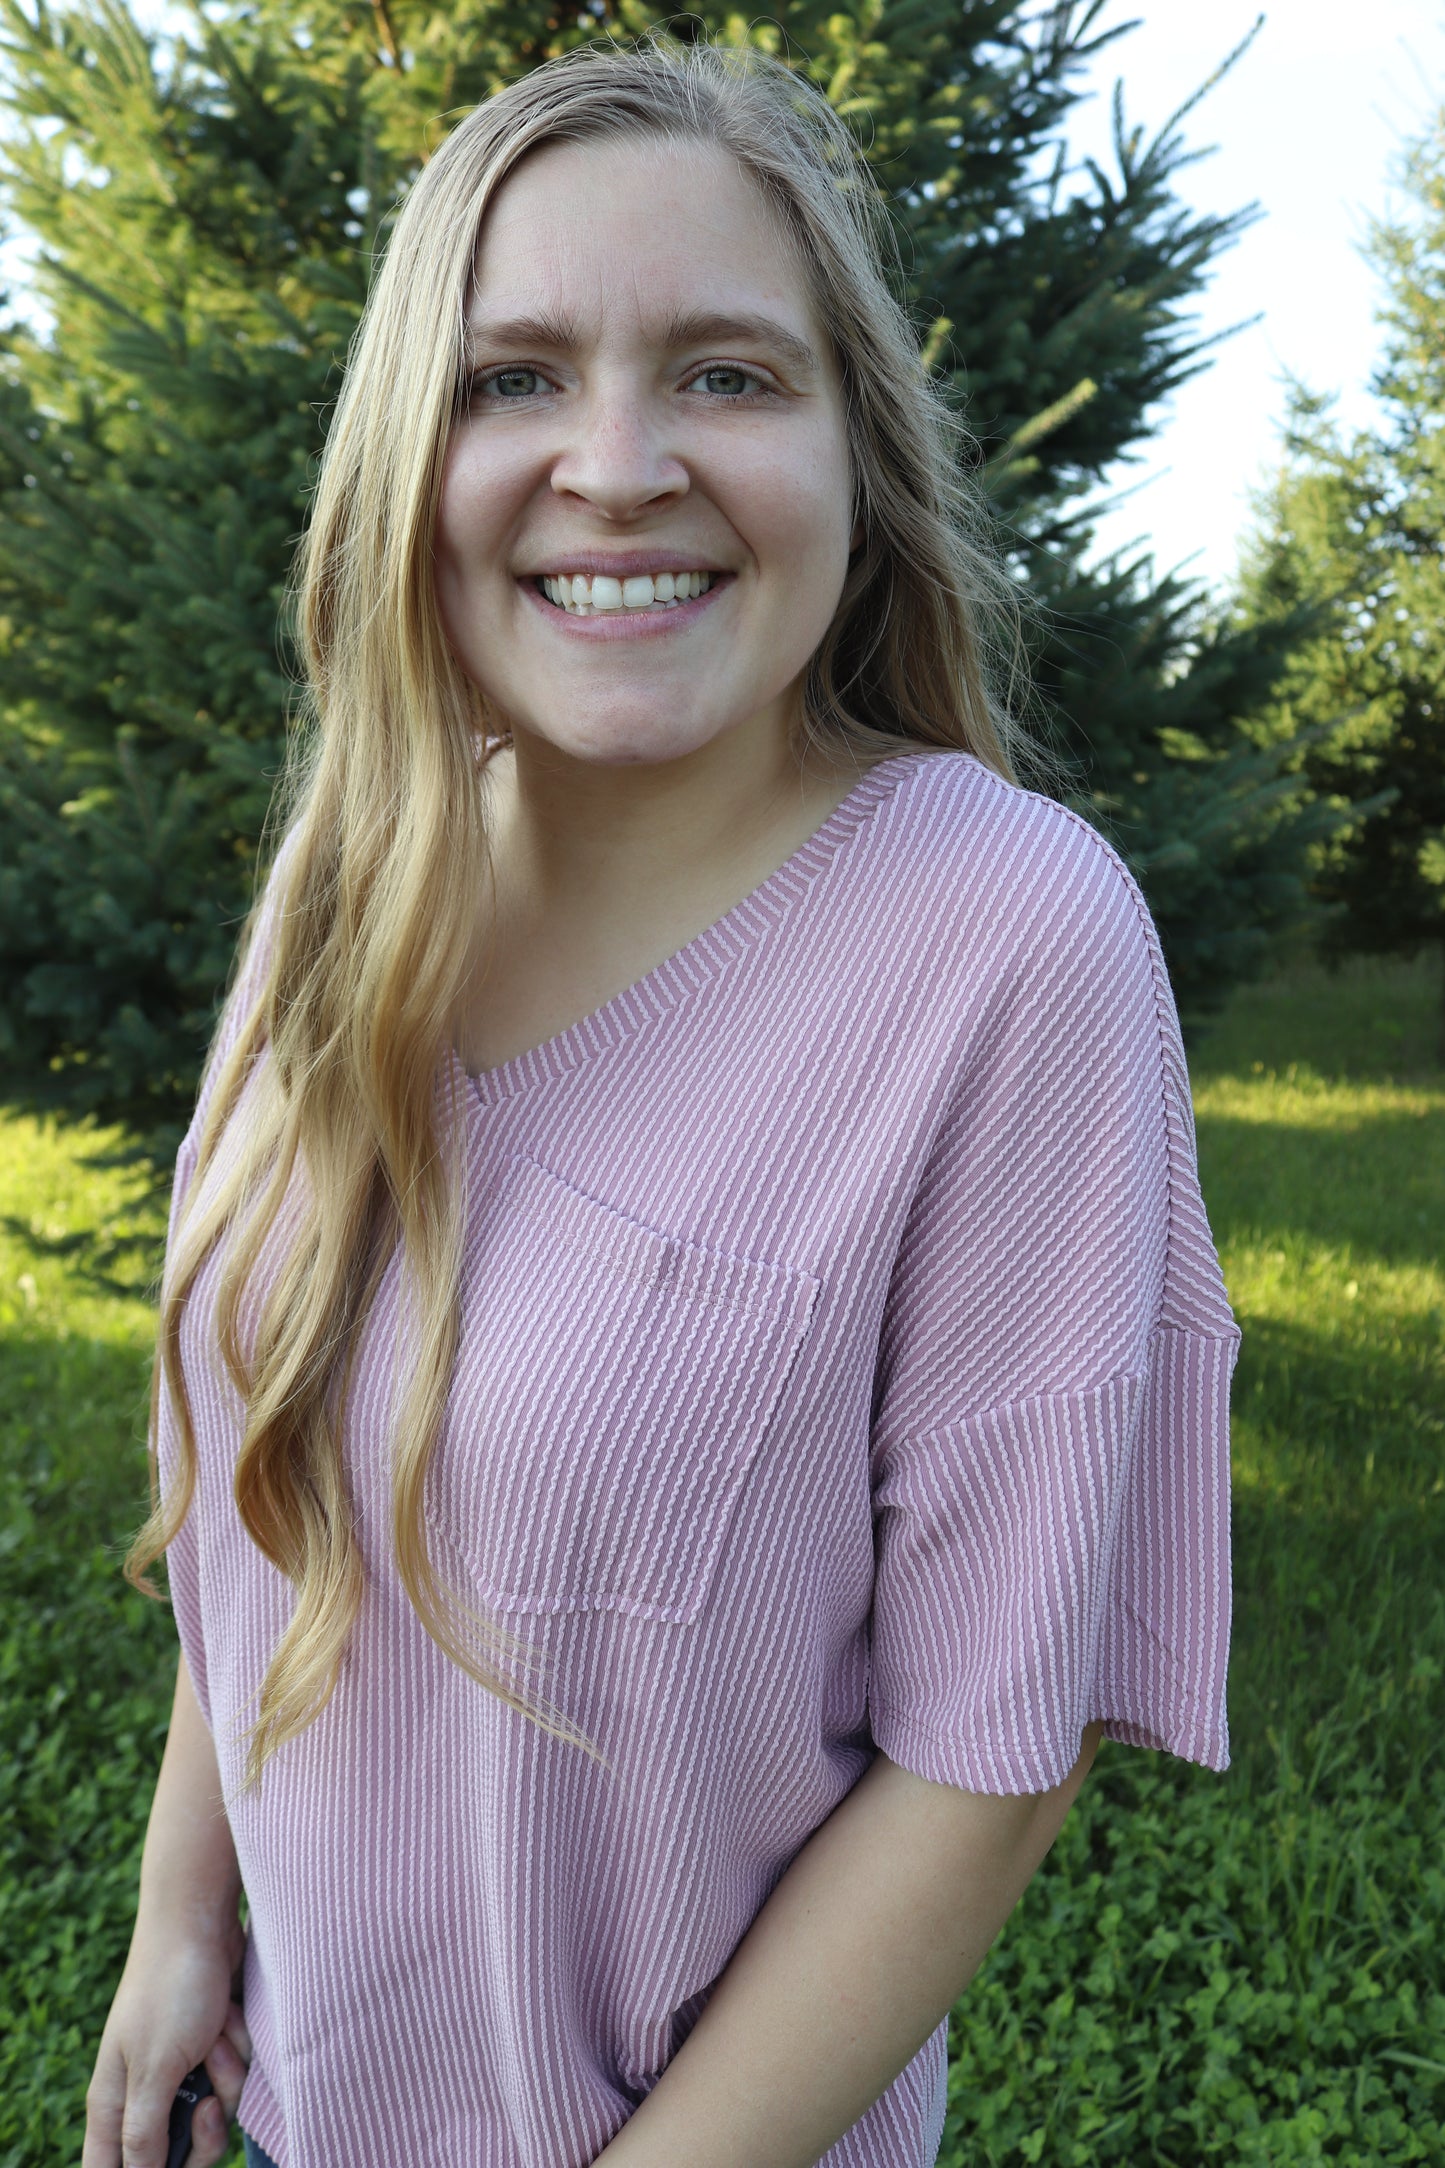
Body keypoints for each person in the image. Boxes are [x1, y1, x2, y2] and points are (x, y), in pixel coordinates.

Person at [82, 33, 1240, 2168]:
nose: (614, 465)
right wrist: (180, 1915)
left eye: (725, 374)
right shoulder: (354, 887)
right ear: (408, 455)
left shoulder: (1005, 943)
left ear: (855, 453)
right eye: (514, 378)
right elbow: (278, 1478)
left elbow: (983, 1759)